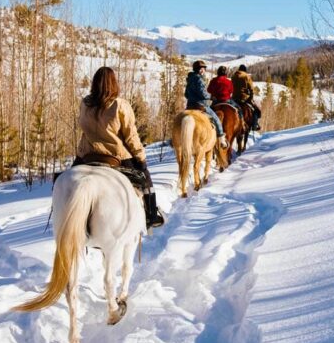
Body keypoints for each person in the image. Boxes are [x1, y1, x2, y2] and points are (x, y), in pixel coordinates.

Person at [75, 66, 164, 229]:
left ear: (95, 83)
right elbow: (131, 135)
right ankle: (151, 215)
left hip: (87, 155)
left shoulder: (85, 103)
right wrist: (141, 158)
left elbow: (82, 126)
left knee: (63, 179)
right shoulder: (120, 105)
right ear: (113, 83)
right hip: (115, 156)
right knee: (145, 179)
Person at [185, 60, 229, 148]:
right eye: (203, 68)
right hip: (200, 105)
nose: (204, 70)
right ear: (200, 70)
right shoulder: (199, 79)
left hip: (189, 106)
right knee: (216, 119)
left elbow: (186, 94)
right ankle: (221, 140)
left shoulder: (189, 79)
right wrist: (211, 96)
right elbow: (203, 94)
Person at [231, 64, 261, 131]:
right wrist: (251, 97)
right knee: (256, 110)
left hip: (234, 98)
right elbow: (251, 89)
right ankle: (255, 125)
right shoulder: (247, 76)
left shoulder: (233, 76)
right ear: (245, 70)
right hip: (244, 98)